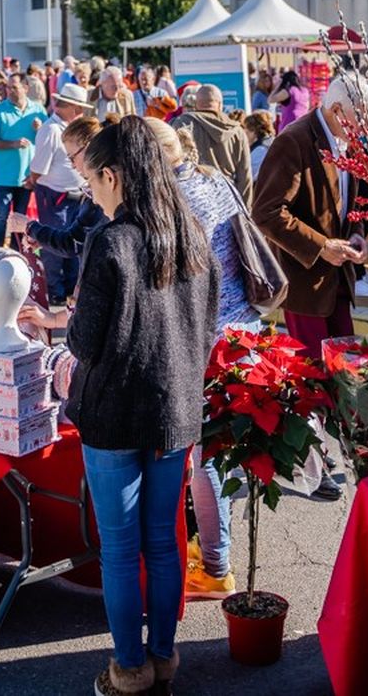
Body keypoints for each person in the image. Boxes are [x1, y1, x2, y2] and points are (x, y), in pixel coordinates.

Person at [55, 116, 218, 696]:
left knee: (122, 550)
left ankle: (129, 668)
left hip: (116, 413)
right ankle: (162, 657)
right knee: (161, 541)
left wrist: (70, 324)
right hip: (174, 408)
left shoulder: (112, 241)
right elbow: (207, 327)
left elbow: (84, 341)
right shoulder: (192, 232)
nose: (92, 197)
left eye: (93, 184)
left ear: (113, 175)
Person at [251, 72, 368, 501]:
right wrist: (322, 247)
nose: (363, 131)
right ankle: (309, 465)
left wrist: (359, 234)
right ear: (337, 111)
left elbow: (352, 203)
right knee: (311, 379)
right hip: (305, 280)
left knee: (339, 374)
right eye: (357, 122)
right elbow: (265, 211)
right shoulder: (294, 140)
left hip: (336, 275)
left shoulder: (345, 137)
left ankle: (325, 455)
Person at [148, 120, 252, 600]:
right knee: (220, 451)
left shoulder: (172, 201)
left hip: (206, 336)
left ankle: (216, 565)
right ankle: (217, 549)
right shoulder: (212, 178)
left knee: (204, 453)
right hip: (242, 327)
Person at [29, 83, 95, 304]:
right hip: (55, 195)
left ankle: (68, 288)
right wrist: (33, 181)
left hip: (71, 195)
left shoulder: (62, 129)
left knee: (71, 243)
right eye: (78, 109)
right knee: (53, 245)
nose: (80, 113)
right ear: (70, 108)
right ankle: (56, 291)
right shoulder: (50, 130)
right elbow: (39, 168)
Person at [0, 74, 46, 250]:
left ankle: (19, 253)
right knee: (2, 215)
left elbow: (49, 141)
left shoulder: (38, 110)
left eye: (14, 87)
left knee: (21, 218)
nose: (9, 91)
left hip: (27, 176)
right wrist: (12, 144)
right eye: (7, 87)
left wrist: (41, 130)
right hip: (4, 176)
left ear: (26, 88)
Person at [172, 84, 252, 203]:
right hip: (228, 199)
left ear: (196, 104)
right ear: (220, 104)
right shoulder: (237, 130)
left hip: (195, 199)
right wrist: (245, 209)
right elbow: (245, 175)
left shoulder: (183, 123)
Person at [269, 70, 310, 134]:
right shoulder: (305, 91)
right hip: (303, 126)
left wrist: (278, 86)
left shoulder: (289, 91)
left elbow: (270, 100)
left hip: (288, 127)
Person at [244, 110, 275, 179]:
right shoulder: (267, 142)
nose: (244, 131)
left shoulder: (261, 149)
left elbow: (249, 176)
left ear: (253, 131)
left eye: (246, 128)